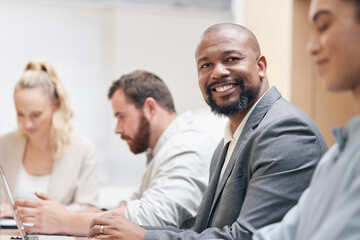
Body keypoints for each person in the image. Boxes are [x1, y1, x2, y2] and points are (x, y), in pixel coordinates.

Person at [87, 23, 328, 240]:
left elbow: (247, 237)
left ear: (261, 66)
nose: (218, 72)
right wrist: (128, 230)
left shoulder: (285, 131)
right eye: (206, 65)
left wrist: (142, 237)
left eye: (232, 59)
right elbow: (202, 233)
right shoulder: (227, 143)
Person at [15, 70, 215, 235]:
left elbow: (149, 218)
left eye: (121, 117)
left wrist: (65, 220)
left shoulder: (186, 146)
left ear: (150, 108)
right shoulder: (164, 148)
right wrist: (97, 213)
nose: (117, 129)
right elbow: (135, 203)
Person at [252, 0, 360, 239]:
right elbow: (284, 233)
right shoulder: (337, 155)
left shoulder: (287, 129)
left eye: (323, 26)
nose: (311, 46)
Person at [0, 58, 98, 218]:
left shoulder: (82, 149)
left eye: (36, 115)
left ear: (56, 105)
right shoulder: (4, 145)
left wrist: (33, 213)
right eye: (20, 114)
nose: (27, 124)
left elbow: (91, 210)